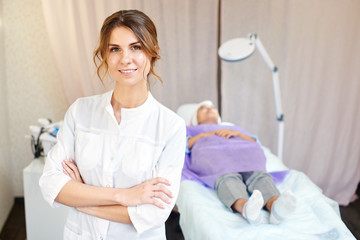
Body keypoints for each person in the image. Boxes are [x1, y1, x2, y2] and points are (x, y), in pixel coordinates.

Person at [39, 10, 186, 239]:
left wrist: (82, 200)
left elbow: (155, 212)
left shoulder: (171, 126)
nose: (125, 58)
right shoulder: (80, 111)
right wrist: (125, 196)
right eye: (115, 49)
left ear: (153, 51)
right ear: (105, 55)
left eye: (136, 47)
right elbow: (51, 183)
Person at [184, 100, 297, 225]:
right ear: (195, 119)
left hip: (245, 158)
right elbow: (184, 146)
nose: (210, 109)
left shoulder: (233, 128)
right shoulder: (191, 130)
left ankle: (275, 206)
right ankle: (245, 208)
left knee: (259, 176)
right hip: (218, 162)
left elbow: (255, 143)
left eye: (212, 107)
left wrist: (237, 134)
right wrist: (205, 134)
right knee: (227, 179)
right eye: (203, 108)